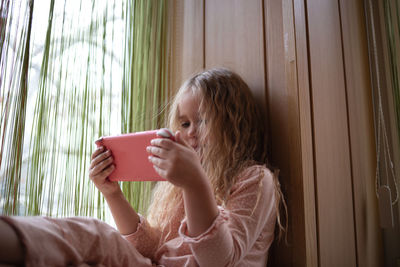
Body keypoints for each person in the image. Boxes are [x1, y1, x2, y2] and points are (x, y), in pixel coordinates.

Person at [0, 68, 286, 266]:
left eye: (203, 120)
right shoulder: (177, 187)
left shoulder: (256, 179)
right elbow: (150, 249)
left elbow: (219, 260)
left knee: (97, 235)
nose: (190, 133)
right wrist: (113, 194)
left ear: (235, 125)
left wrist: (194, 184)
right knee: (90, 245)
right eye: (184, 123)